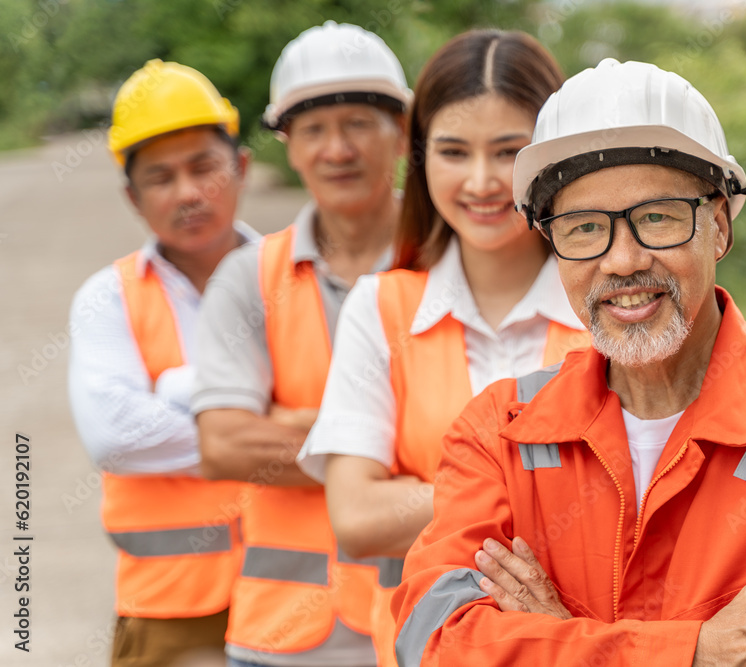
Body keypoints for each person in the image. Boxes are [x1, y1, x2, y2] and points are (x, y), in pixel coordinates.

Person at [391, 59, 746, 667]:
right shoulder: (498, 434)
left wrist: (557, 638)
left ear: (717, 226)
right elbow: (433, 642)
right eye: (584, 228)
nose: (621, 261)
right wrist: (696, 651)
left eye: (656, 218)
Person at [296, 30, 589, 665]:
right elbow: (355, 516)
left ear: (553, 159)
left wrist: (423, 495)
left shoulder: (608, 306)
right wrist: (546, 487)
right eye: (454, 152)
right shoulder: (380, 309)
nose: (481, 181)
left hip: (583, 646)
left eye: (508, 151)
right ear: (421, 157)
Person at [191, 21, 409, 667]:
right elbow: (222, 443)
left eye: (359, 123)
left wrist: (293, 426)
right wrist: (391, 446)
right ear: (288, 145)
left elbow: (491, 447)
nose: (337, 148)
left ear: (401, 131)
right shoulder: (250, 275)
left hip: (426, 624)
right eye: (314, 129)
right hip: (278, 640)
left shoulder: (453, 263)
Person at [67, 59, 255, 667]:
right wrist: (262, 418)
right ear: (132, 196)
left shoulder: (297, 276)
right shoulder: (108, 297)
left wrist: (174, 392)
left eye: (204, 166)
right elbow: (116, 437)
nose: (187, 192)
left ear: (242, 167)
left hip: (302, 597)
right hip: (170, 615)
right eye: (161, 177)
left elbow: (345, 414)